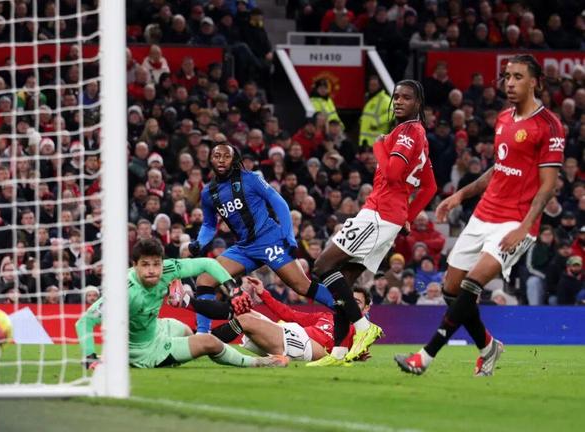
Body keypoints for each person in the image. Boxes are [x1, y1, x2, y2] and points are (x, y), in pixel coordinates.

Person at [396, 54, 565, 376]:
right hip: (485, 213)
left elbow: (547, 186)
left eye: (518, 77)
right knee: (451, 289)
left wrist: (525, 227)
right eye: (507, 76)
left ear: (534, 82)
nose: (510, 83)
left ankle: (425, 357)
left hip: (516, 221)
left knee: (472, 283)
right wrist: (460, 195)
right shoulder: (503, 118)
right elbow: (499, 168)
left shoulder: (549, 125)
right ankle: (488, 347)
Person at [308, 80, 437, 366]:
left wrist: (378, 145)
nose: (399, 101)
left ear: (418, 103)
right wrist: (408, 216)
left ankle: (364, 327)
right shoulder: (420, 135)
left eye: (406, 97)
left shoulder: (406, 133)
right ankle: (338, 352)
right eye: (396, 97)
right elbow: (429, 187)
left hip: (379, 213)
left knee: (322, 266)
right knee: (344, 281)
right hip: (389, 216)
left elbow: (391, 174)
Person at [188, 142, 335, 333]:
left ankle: (350, 311)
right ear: (210, 160)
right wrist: (199, 242)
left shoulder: (251, 179)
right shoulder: (208, 193)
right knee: (205, 279)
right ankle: (202, 334)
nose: (221, 160)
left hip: (269, 240)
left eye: (226, 156)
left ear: (234, 159)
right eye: (217, 156)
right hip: (244, 248)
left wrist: (289, 237)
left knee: (302, 286)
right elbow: (209, 224)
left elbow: (279, 202)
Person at [75, 239, 288, 369]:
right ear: (134, 265)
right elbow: (84, 322)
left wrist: (233, 289)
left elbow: (207, 263)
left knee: (186, 330)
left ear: (162, 263)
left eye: (156, 264)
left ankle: (182, 349)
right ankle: (257, 362)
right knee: (209, 342)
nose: (152, 270)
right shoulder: (124, 292)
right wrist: (89, 357)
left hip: (156, 328)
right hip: (144, 351)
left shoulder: (168, 269)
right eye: (145, 265)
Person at [171, 276, 372, 362]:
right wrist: (263, 293)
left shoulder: (362, 329)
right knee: (243, 312)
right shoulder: (328, 316)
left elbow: (354, 350)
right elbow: (289, 315)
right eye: (349, 300)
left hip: (306, 347)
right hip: (294, 334)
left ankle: (194, 341)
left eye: (357, 302)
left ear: (366, 308)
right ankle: (188, 308)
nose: (351, 305)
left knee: (246, 321)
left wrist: (357, 355)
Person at [359, 75, 392, 147]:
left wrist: (376, 122)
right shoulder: (369, 98)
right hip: (365, 140)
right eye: (370, 85)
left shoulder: (385, 99)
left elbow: (392, 114)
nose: (371, 87)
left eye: (374, 85)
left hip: (376, 141)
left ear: (379, 86)